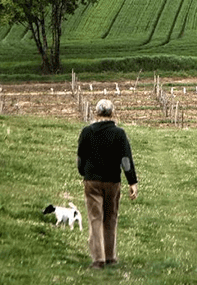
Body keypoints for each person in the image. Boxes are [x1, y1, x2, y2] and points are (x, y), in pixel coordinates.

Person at [76, 99, 138, 269]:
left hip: (92, 181)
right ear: (112, 113)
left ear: (96, 113)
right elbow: (125, 160)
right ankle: (110, 256)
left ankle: (98, 259)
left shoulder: (87, 132)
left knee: (95, 218)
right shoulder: (119, 133)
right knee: (111, 218)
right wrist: (132, 181)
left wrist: (84, 172)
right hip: (112, 181)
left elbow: (80, 157)